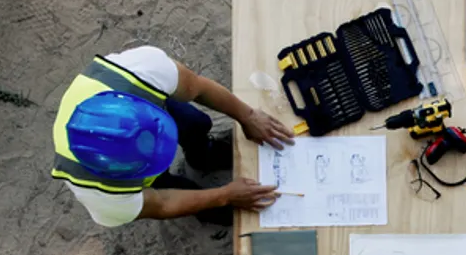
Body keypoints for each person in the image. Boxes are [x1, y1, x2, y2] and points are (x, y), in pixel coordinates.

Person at [51, 45, 295, 227]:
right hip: (138, 160)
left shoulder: (140, 72)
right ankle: (214, 207)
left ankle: (203, 156)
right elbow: (162, 203)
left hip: (145, 108)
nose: (162, 152)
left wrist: (248, 116)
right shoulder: (102, 196)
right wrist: (224, 196)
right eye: (151, 157)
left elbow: (197, 86)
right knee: (176, 189)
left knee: (196, 123)